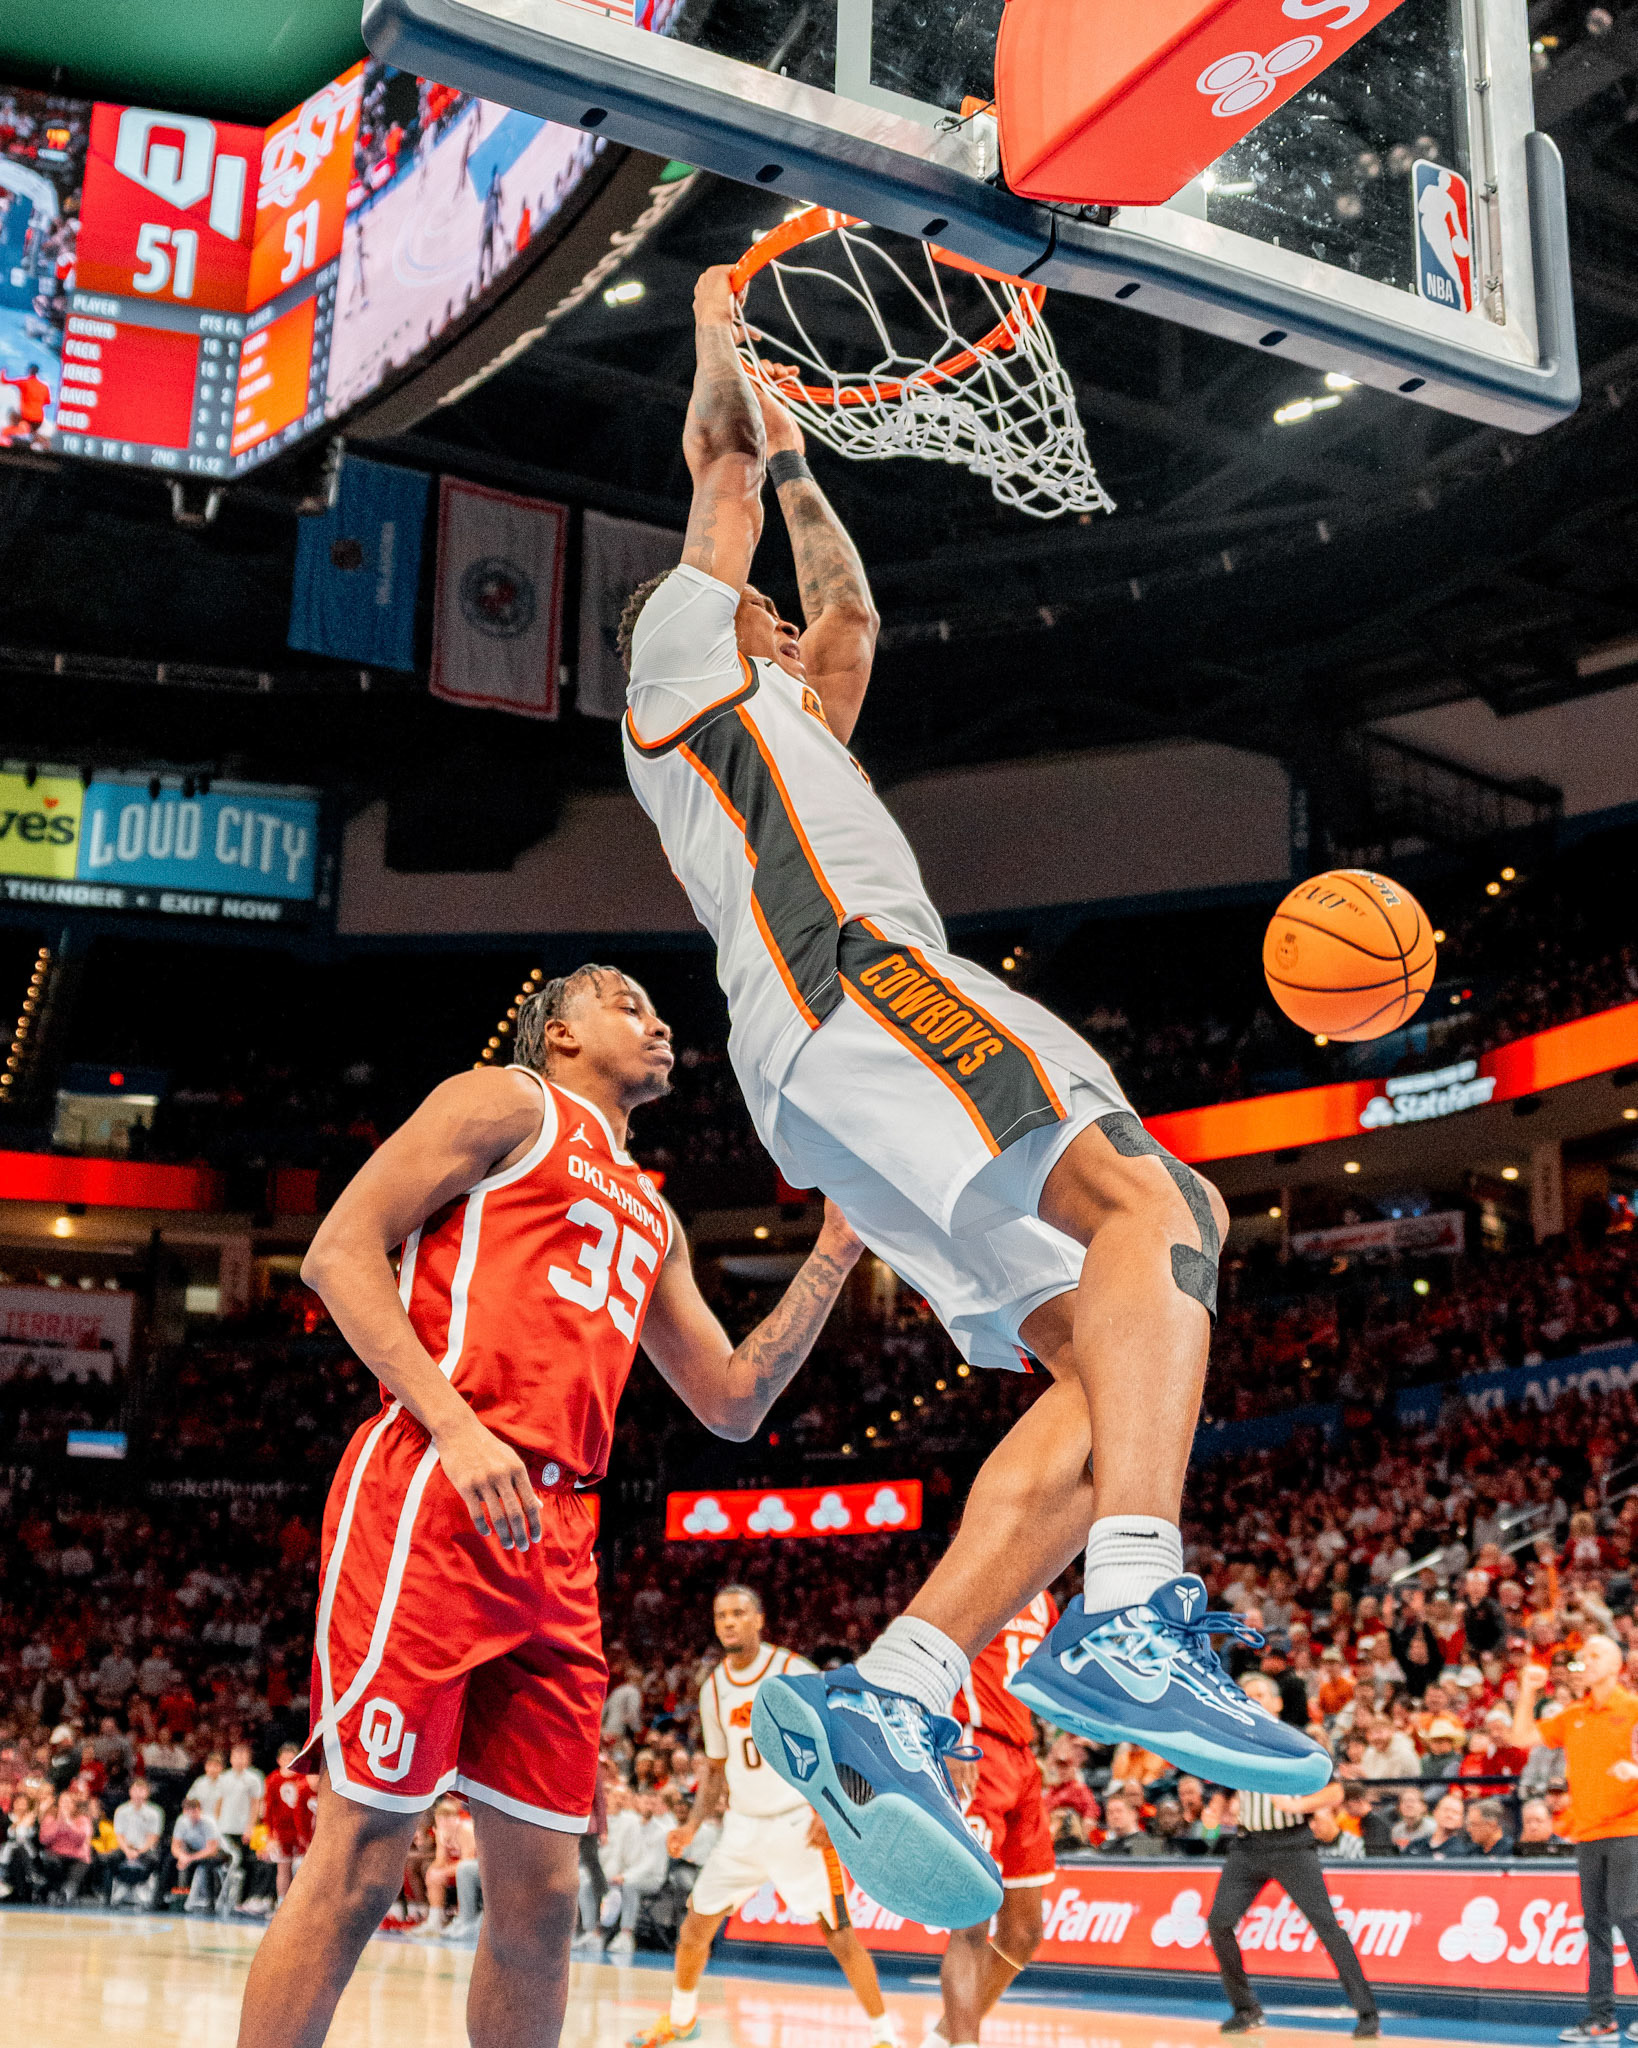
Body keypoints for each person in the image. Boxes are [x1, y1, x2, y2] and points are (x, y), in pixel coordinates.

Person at [618, 262, 1325, 1928]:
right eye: (758, 608)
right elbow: (710, 469)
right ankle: (1135, 1606)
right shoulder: (674, 664)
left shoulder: (790, 710)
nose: (787, 620)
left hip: (839, 1053)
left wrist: (808, 473)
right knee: (1162, 1204)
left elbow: (851, 616)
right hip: (854, 981)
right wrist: (727, 348)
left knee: (1102, 1344)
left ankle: (896, 1684)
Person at [235, 967, 866, 2048]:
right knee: (361, 1857)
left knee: (543, 1899)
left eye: (658, 1008)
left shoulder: (652, 1206)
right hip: (439, 1486)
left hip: (559, 1539)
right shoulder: (504, 1101)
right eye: (627, 1002)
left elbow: (729, 1399)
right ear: (560, 1032)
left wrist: (836, 1250)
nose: (659, 1018)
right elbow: (339, 1252)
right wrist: (453, 1422)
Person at [628, 1586, 894, 2045]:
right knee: (695, 1928)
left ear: (759, 1620)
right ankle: (681, 2020)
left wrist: (828, 1811)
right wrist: (691, 1825)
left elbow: (843, 1737)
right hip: (742, 1830)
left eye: (738, 1613)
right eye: (720, 1615)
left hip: (798, 1825)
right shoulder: (713, 1688)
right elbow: (715, 1768)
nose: (728, 1622)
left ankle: (884, 2034)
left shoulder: (792, 1670)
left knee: (840, 1936)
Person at [1206, 1681, 1380, 2039]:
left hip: (1291, 1846)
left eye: (1259, 1694)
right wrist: (1216, 1809)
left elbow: (1335, 1790)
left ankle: (1367, 2013)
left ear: (1278, 1702)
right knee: (1219, 1922)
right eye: (1246, 1694)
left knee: (1327, 1926)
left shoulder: (1295, 1742)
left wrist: (1298, 1805)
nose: (1251, 1699)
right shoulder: (1235, 1741)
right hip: (1247, 1846)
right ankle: (1246, 2009)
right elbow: (1224, 1789)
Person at [929, 1597, 1059, 2048]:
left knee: (1024, 1932)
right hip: (972, 1747)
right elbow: (922, 1657)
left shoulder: (1044, 1599)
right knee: (971, 1922)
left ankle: (944, 2039)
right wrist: (942, 1736)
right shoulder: (982, 1564)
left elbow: (1053, 1670)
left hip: (1022, 1757)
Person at [1511, 1634, 1638, 2043]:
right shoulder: (1573, 1713)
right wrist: (1528, 1691)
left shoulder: (1633, 1709)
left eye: (1596, 1654)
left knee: (1628, 1915)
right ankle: (1601, 2017)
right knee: (1596, 1924)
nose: (1587, 1660)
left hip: (1628, 1830)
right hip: (1587, 1834)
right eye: (1584, 1656)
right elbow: (1521, 1739)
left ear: (1618, 1665)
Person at [109, 1775, 164, 1907]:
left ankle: (144, 1894)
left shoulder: (154, 1812)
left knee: (154, 1861)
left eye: (142, 1790)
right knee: (109, 1859)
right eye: (135, 1790)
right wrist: (127, 1850)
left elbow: (153, 1837)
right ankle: (111, 1896)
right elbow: (119, 1835)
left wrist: (139, 1851)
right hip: (126, 1848)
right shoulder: (121, 1811)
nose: (138, 1793)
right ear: (130, 1791)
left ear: (147, 1793)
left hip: (145, 1849)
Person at [173, 1794, 227, 1912]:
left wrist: (189, 1858)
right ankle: (175, 1897)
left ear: (200, 1810)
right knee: (171, 1861)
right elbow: (175, 1846)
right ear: (184, 1811)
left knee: (207, 1865)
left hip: (217, 1853)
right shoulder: (181, 1821)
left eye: (195, 1811)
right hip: (194, 1852)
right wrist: (182, 1856)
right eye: (189, 1811)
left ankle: (210, 1901)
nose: (192, 1814)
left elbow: (212, 1850)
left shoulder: (209, 1822)